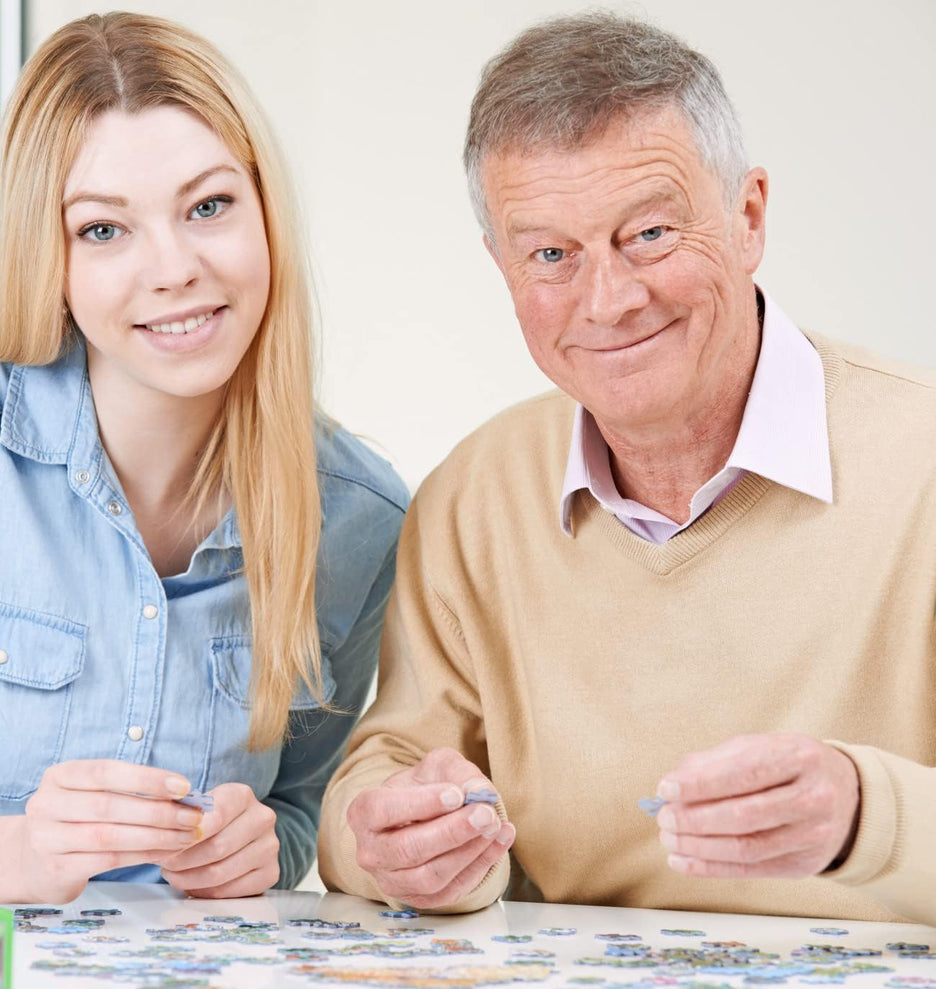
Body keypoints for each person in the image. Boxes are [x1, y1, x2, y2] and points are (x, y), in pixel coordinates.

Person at [318, 12, 936, 925]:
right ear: (501, 267)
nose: (607, 300)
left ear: (749, 216)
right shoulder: (472, 497)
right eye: (552, 255)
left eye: (648, 233)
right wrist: (390, 847)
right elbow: (381, 777)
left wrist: (867, 816)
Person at [0, 12, 407, 905]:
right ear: (52, 255)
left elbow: (300, 809)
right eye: (105, 230)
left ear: (265, 212)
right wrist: (15, 855)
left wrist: (265, 849)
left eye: (209, 206)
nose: (174, 267)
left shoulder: (358, 516)